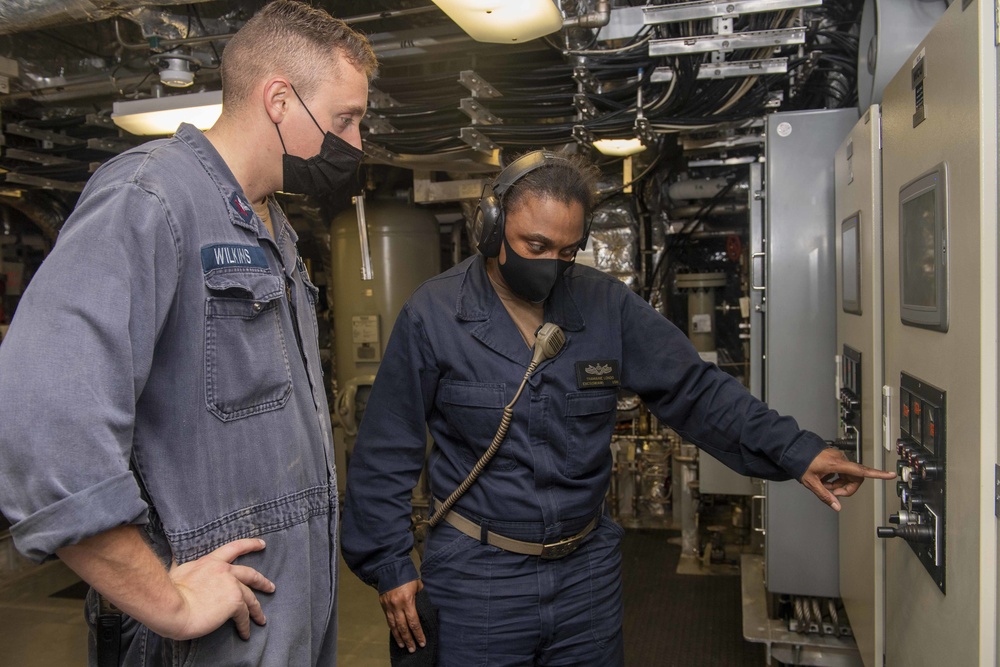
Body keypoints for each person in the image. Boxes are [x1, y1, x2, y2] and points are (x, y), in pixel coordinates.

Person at [341, 150, 896, 666]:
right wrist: (390, 564)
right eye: (534, 246)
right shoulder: (433, 315)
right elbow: (387, 448)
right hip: (478, 575)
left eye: (566, 252)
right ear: (490, 229)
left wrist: (797, 452)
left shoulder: (604, 304)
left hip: (586, 572)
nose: (550, 265)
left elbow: (696, 391)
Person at [0, 1, 377, 664]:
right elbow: (43, 421)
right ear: (280, 100)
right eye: (345, 119)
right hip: (202, 642)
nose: (357, 141)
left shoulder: (272, 228)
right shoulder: (151, 199)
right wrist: (166, 601)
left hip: (281, 624)